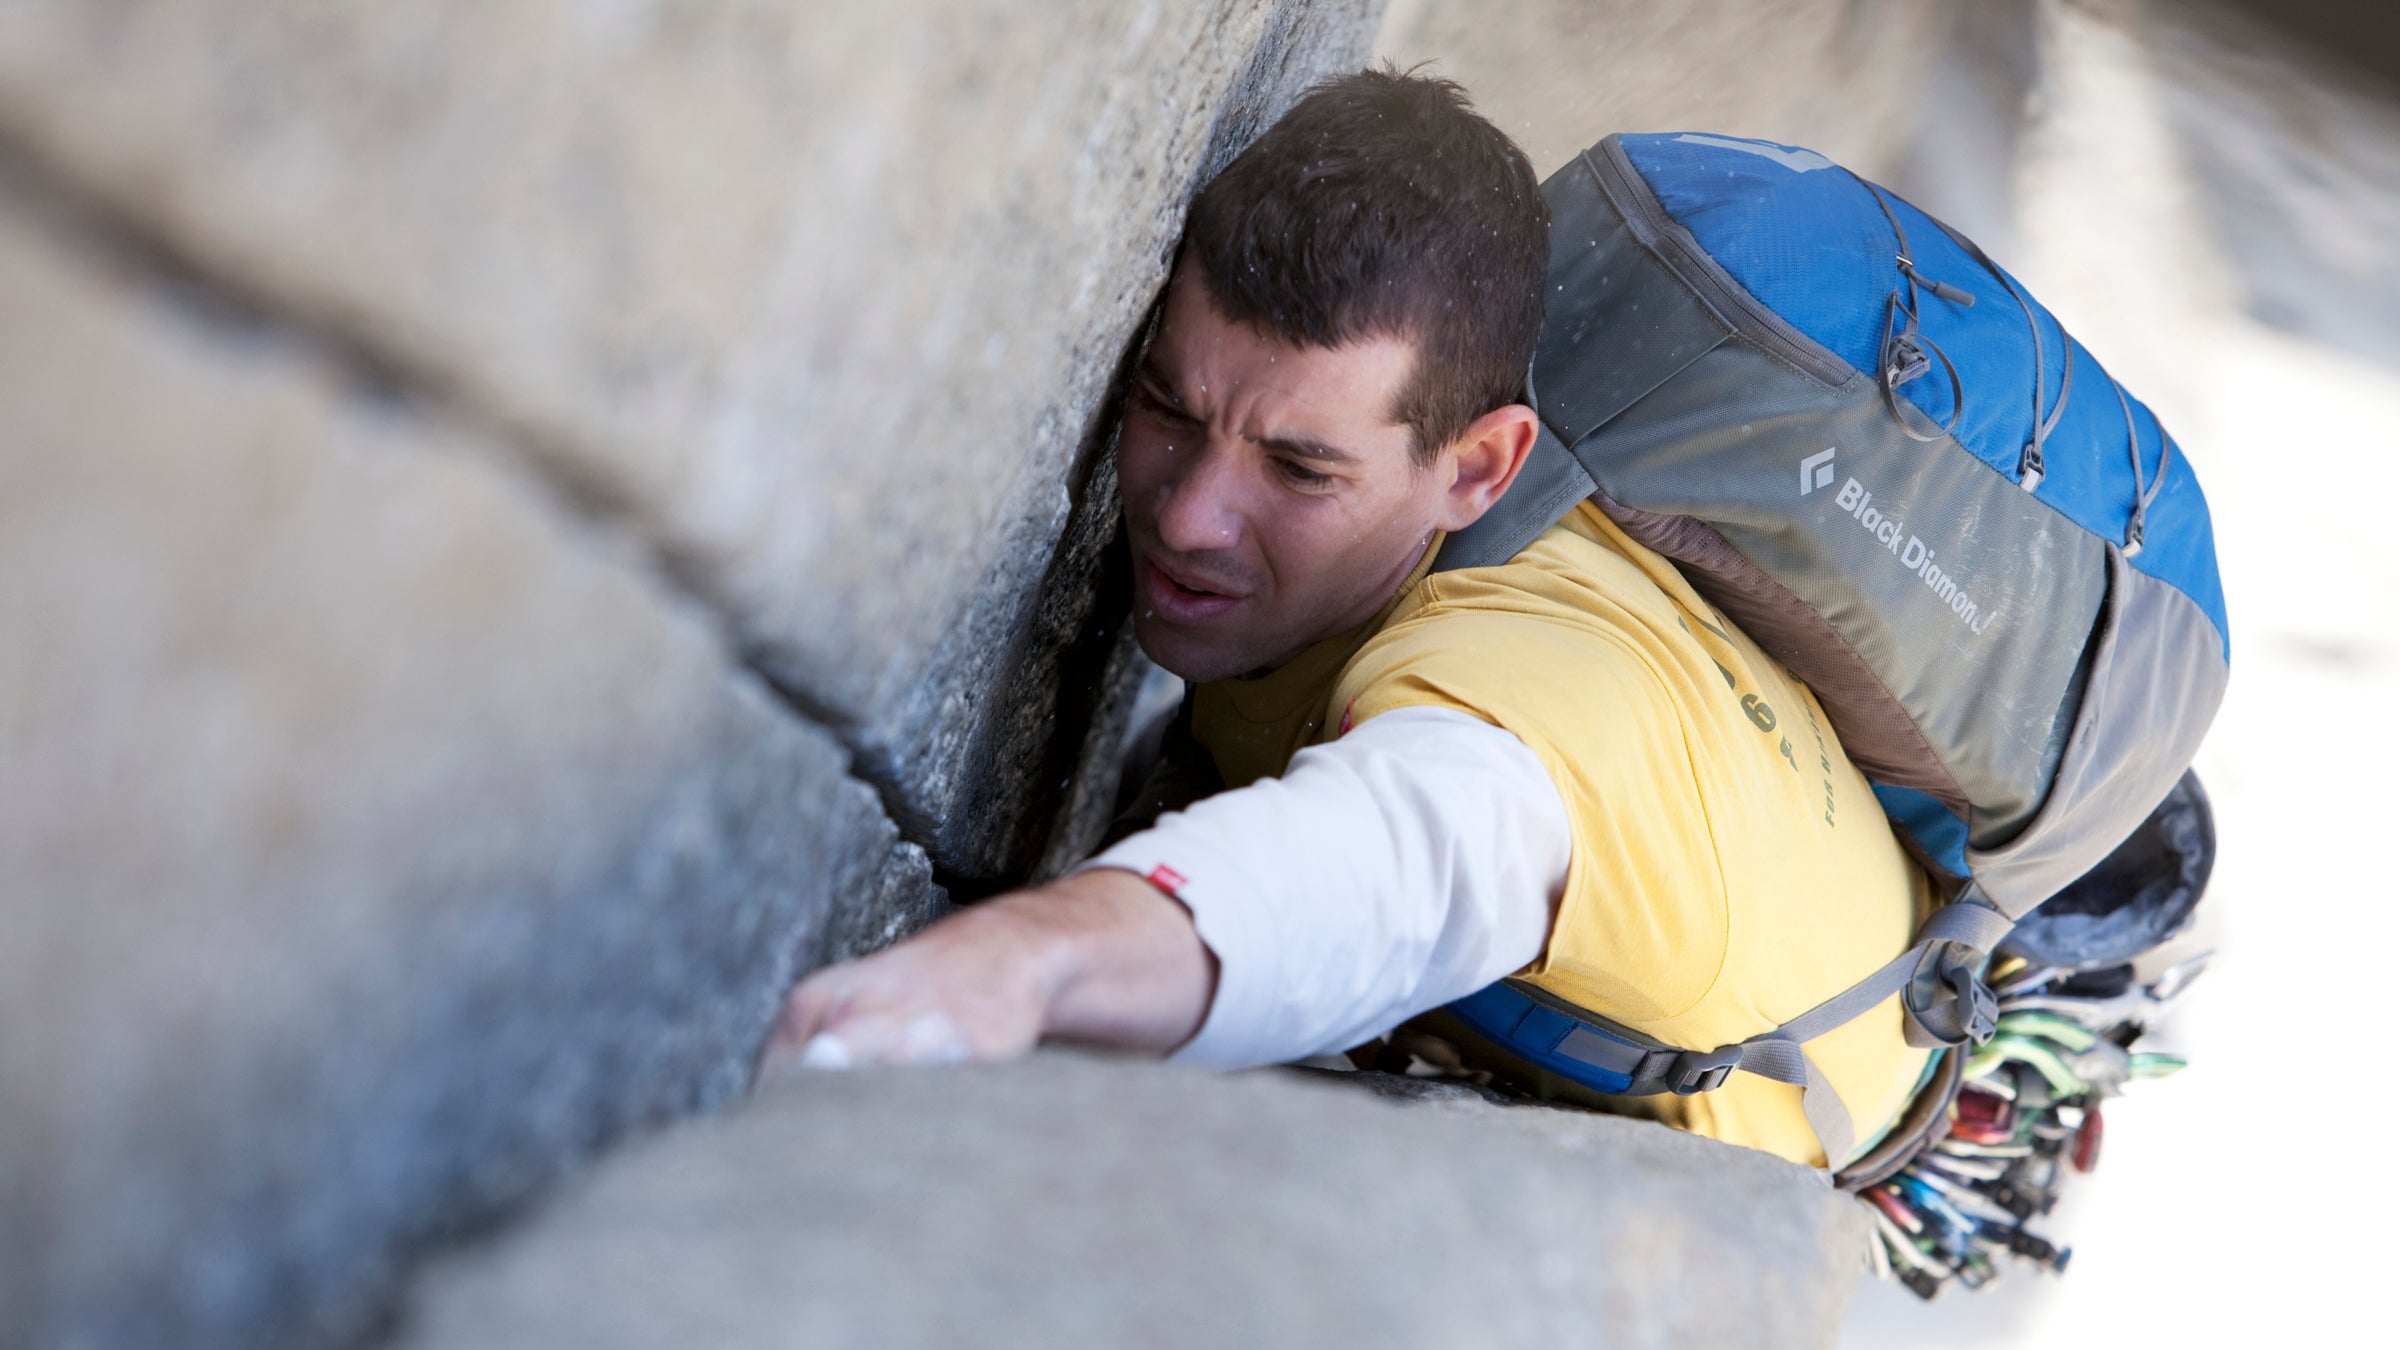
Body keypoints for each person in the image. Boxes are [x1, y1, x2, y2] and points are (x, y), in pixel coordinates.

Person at [767, 68, 1939, 1170]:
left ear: (1480, 467)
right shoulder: (1420, 540)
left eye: (1298, 470)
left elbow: (1381, 872)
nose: (1188, 517)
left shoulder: (1520, 725)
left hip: (1821, 1104)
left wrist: (1026, 958)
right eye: (1169, 405)